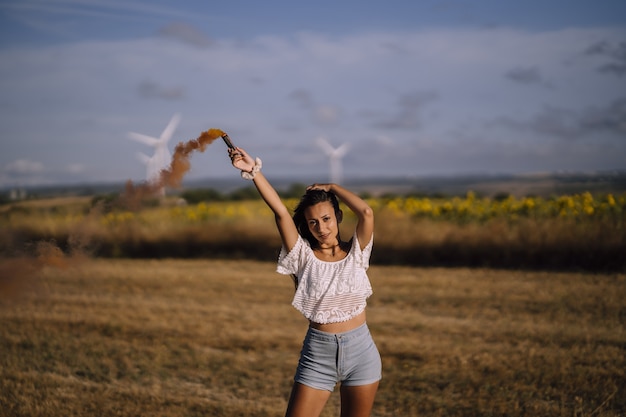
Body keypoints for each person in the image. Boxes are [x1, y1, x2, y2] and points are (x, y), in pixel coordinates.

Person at [228, 146, 381, 417]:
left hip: (362, 353)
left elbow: (367, 213)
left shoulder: (357, 252)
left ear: (338, 217)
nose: (321, 228)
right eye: (313, 223)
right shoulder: (301, 257)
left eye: (326, 219)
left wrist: (332, 186)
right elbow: (281, 213)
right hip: (318, 357)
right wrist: (254, 172)